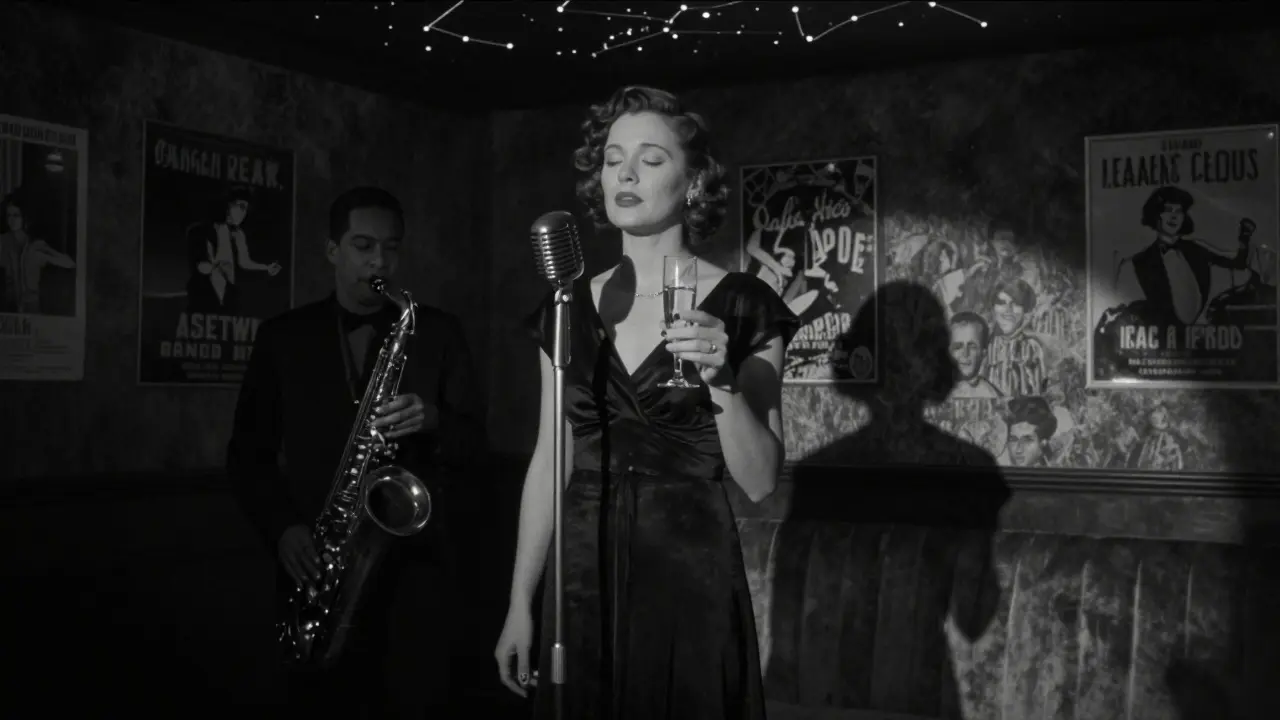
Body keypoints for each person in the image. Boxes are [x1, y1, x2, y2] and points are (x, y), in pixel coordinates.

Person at [494, 85, 799, 719]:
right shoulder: (566, 306)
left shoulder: (743, 303)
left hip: (690, 577)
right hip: (581, 576)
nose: (625, 173)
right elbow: (551, 460)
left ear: (693, 184)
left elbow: (762, 480)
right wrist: (521, 602)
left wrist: (721, 382)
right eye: (612, 158)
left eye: (651, 159)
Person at [227, 186, 485, 717]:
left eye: (391, 248)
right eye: (363, 245)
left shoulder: (435, 331)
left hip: (417, 575)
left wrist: (433, 420)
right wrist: (283, 529)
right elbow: (247, 454)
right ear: (332, 250)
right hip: (319, 567)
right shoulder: (283, 338)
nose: (379, 261)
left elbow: (475, 445)